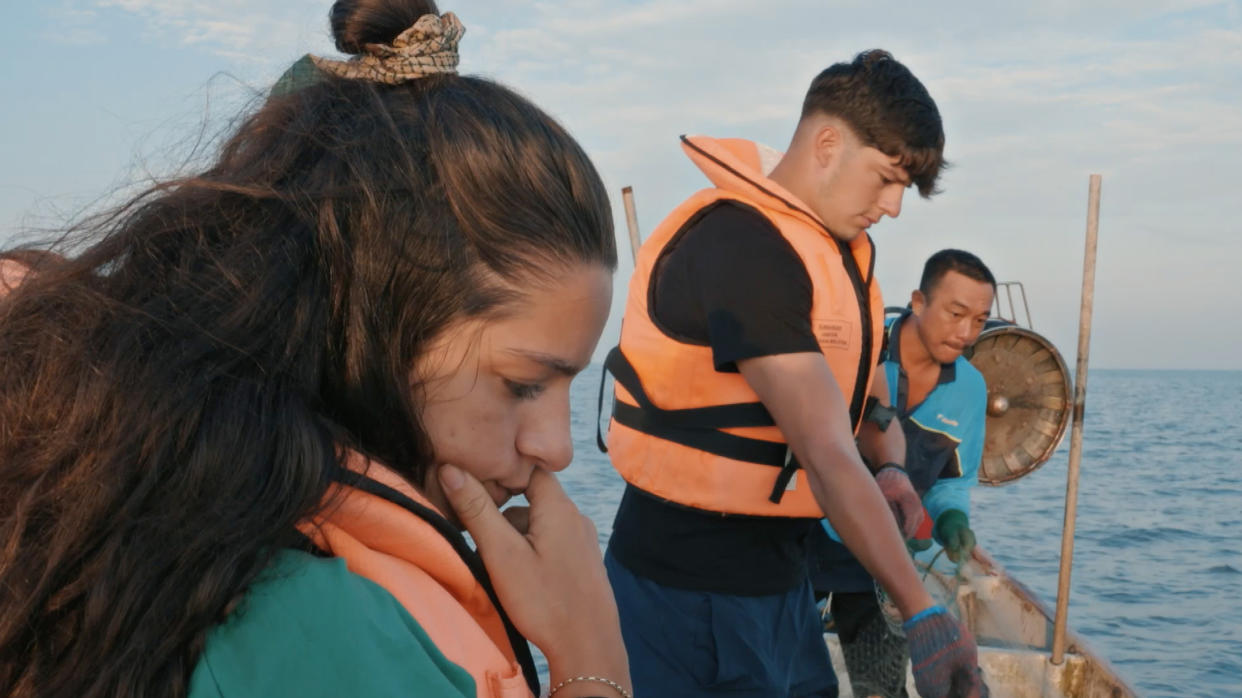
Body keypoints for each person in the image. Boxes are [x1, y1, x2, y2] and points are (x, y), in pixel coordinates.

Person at [0, 2, 632, 697]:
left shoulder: (174, 527)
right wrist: (591, 658)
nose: (558, 449)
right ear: (370, 330)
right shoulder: (320, 631)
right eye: (521, 384)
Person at [600, 51, 986, 697]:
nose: (893, 207)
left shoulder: (833, 256)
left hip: (782, 582)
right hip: (685, 590)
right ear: (829, 143)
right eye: (887, 178)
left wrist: (890, 467)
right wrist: (922, 612)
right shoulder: (742, 247)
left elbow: (866, 407)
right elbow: (826, 449)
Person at [811, 249, 996, 698]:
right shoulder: (858, 351)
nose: (966, 333)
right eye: (956, 314)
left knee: (881, 688)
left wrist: (953, 519)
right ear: (918, 301)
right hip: (805, 538)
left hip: (883, 559)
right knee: (788, 674)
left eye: (980, 320)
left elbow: (953, 480)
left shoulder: (972, 388)